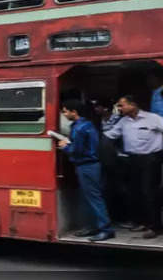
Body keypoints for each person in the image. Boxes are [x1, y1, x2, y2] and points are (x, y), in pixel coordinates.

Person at [103, 95, 163, 239]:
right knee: (135, 192)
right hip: (133, 160)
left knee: (149, 192)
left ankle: (156, 226)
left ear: (133, 105)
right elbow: (111, 134)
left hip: (150, 160)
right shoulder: (123, 121)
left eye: (122, 105)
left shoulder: (153, 118)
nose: (119, 108)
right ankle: (142, 222)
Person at [58, 100, 114, 242]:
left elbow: (77, 150)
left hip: (86, 166)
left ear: (74, 112)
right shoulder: (87, 125)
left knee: (94, 198)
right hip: (91, 165)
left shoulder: (79, 128)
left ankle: (106, 229)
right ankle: (92, 227)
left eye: (65, 111)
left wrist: (64, 146)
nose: (64, 114)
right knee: (88, 198)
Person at [92, 98, 130, 227]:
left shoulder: (119, 120)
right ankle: (113, 217)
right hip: (105, 158)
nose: (96, 109)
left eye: (98, 107)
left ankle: (125, 217)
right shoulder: (97, 121)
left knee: (122, 189)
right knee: (109, 188)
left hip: (120, 157)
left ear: (106, 108)